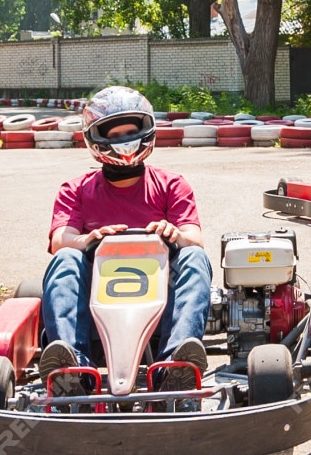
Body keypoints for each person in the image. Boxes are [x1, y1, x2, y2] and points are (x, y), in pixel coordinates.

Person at [37, 86, 212, 383]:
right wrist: (90, 239)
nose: (125, 142)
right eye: (115, 136)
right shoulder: (76, 189)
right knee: (66, 258)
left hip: (161, 294)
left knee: (194, 256)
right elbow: (60, 241)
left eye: (130, 132)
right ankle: (74, 370)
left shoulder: (172, 185)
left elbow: (194, 239)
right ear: (97, 140)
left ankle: (174, 366)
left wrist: (173, 235)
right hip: (98, 298)